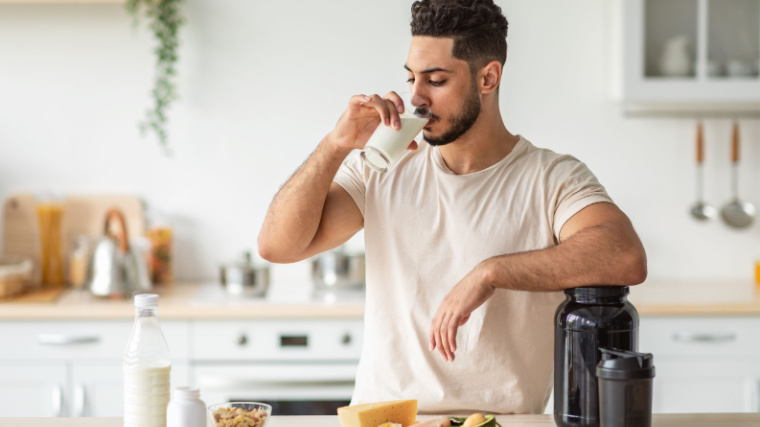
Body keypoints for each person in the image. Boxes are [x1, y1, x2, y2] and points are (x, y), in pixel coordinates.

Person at [258, 0, 647, 415]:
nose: (416, 98)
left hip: (492, 424)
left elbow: (624, 256)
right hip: (385, 420)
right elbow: (277, 246)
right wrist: (335, 145)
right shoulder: (383, 165)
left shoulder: (550, 177)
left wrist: (490, 272)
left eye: (436, 80)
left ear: (488, 78)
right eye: (411, 79)